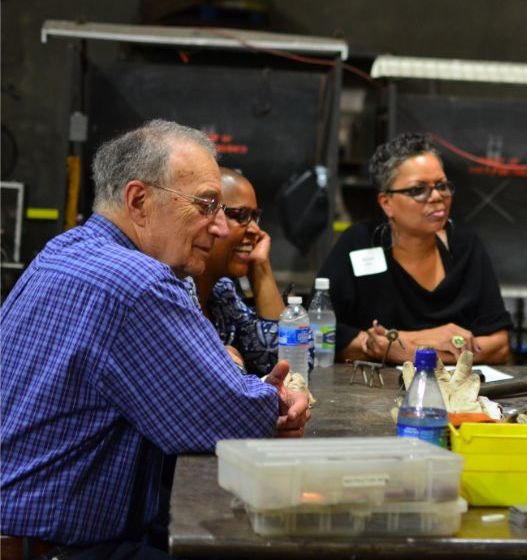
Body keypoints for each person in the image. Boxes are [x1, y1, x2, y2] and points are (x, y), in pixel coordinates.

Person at [0, 120, 312, 558]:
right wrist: (274, 400)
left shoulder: (63, 250)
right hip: (65, 549)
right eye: (206, 205)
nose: (220, 228)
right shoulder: (138, 282)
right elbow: (230, 416)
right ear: (139, 201)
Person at [318, 132, 512, 364]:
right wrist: (427, 339)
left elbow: (499, 345)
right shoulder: (358, 244)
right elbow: (319, 334)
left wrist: (407, 350)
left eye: (442, 186)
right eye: (418, 190)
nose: (437, 196)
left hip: (454, 385)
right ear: (387, 203)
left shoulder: (466, 248)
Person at [190, 167, 286, 376]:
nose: (255, 230)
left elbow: (284, 361)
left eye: (254, 217)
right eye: (241, 215)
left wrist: (261, 268)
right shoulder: (172, 291)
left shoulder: (222, 292)